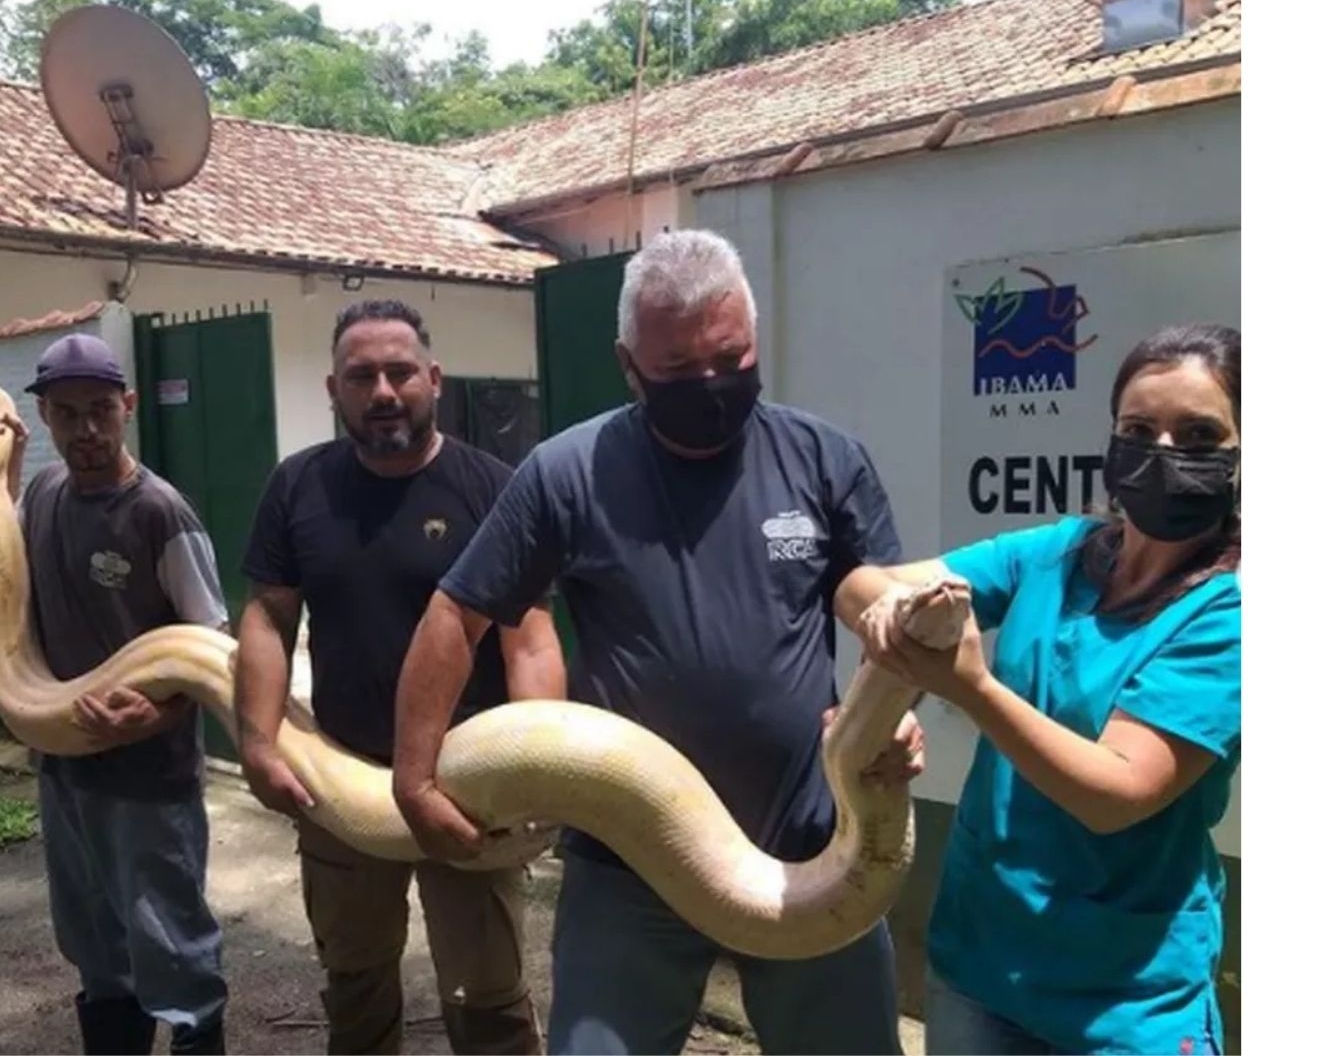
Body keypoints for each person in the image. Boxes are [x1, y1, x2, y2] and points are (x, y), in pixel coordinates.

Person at [391, 229, 926, 1056]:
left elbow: (891, 622)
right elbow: (455, 613)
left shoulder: (824, 460)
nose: (711, 385)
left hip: (807, 849)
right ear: (627, 364)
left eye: (731, 357)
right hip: (627, 867)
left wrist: (884, 719)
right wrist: (415, 778)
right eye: (678, 371)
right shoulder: (567, 473)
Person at [842, 324, 1242, 1055]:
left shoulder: (1230, 615)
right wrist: (895, 612)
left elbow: (1115, 793)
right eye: (1138, 428)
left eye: (1197, 433)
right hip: (980, 970)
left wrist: (969, 685)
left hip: (1123, 1005)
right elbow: (862, 586)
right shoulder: (1056, 553)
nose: (1161, 451)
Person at [233, 299, 566, 1055]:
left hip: (468, 786)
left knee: (489, 994)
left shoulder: (494, 488)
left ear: (435, 379)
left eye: (400, 371)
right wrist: (258, 742)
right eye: (362, 376)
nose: (383, 390)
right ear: (333, 388)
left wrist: (539, 774)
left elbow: (531, 640)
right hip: (343, 778)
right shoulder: (298, 487)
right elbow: (268, 618)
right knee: (354, 982)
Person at [0, 333, 231, 1055]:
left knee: (173, 948)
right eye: (67, 415)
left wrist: (154, 713)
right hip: (65, 771)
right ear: (44, 421)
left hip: (148, 780)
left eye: (100, 410)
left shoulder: (162, 512)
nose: (87, 431)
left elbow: (211, 653)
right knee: (95, 948)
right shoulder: (39, 494)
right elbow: (11, 594)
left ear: (127, 406)